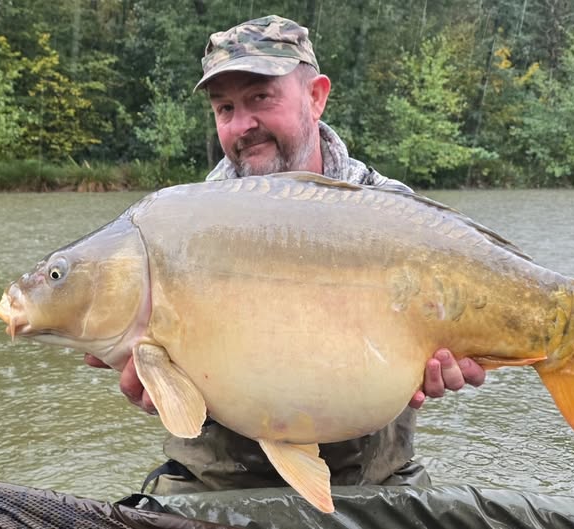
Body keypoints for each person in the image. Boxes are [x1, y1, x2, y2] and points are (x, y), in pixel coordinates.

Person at [85, 14, 486, 495]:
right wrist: (171, 392)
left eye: (260, 98)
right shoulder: (182, 229)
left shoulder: (394, 212)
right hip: (214, 483)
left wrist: (459, 356)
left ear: (316, 97)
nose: (242, 125)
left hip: (373, 480)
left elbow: (450, 351)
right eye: (225, 107)